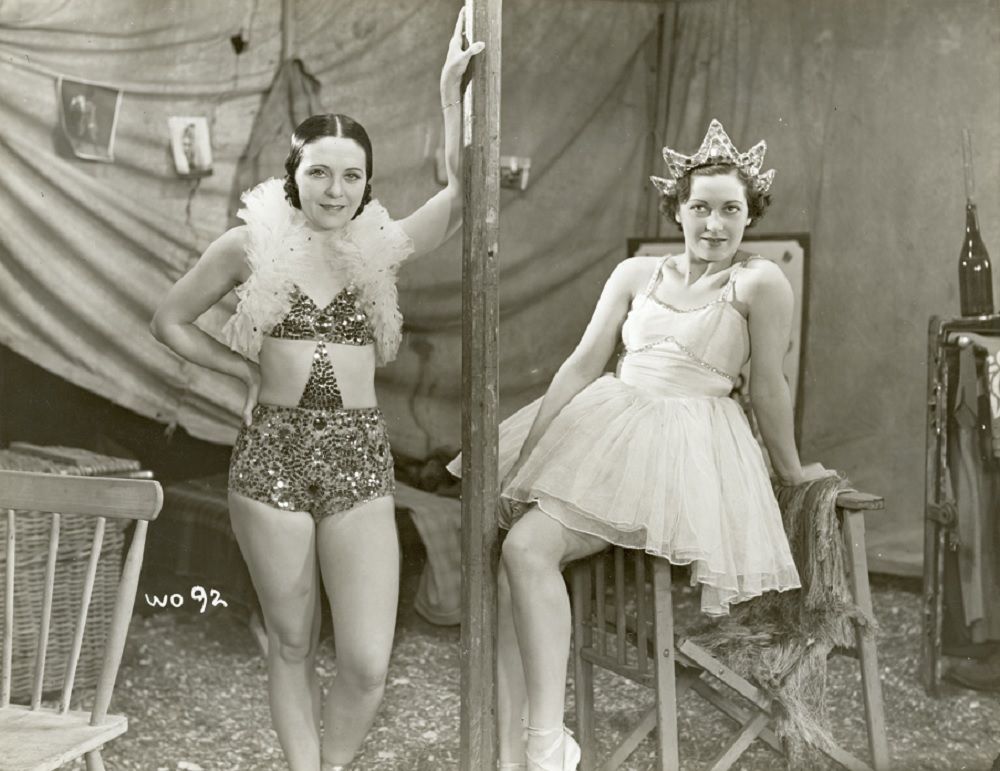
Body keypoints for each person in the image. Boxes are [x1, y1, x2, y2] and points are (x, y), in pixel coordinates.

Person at [151, 12, 483, 770]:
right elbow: (168, 319)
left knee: (367, 660)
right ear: (292, 174)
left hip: (360, 459)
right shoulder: (248, 244)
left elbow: (461, 196)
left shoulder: (379, 244)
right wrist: (242, 369)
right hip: (271, 457)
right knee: (293, 637)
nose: (335, 188)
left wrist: (447, 96)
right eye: (319, 172)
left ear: (368, 184)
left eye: (352, 174)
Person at [450, 119, 827, 770]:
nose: (714, 224)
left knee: (525, 548)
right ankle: (512, 745)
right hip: (609, 419)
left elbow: (768, 385)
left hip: (688, 443)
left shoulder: (761, 283)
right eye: (701, 208)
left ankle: (545, 741)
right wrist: (532, 455)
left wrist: (791, 470)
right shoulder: (635, 273)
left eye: (730, 210)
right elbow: (580, 364)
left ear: (750, 215)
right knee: (508, 560)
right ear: (676, 211)